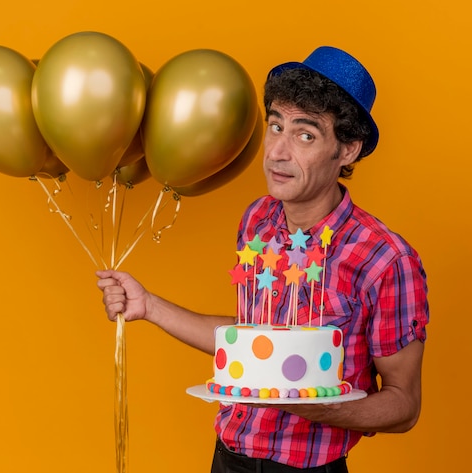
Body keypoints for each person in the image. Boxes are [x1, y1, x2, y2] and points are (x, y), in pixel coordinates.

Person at [97, 46, 429, 473]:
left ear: (347, 149)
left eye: (305, 135)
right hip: (227, 458)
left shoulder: (385, 258)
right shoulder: (258, 221)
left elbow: (404, 404)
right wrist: (149, 305)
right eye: (276, 126)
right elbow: (253, 347)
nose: (277, 152)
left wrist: (312, 405)